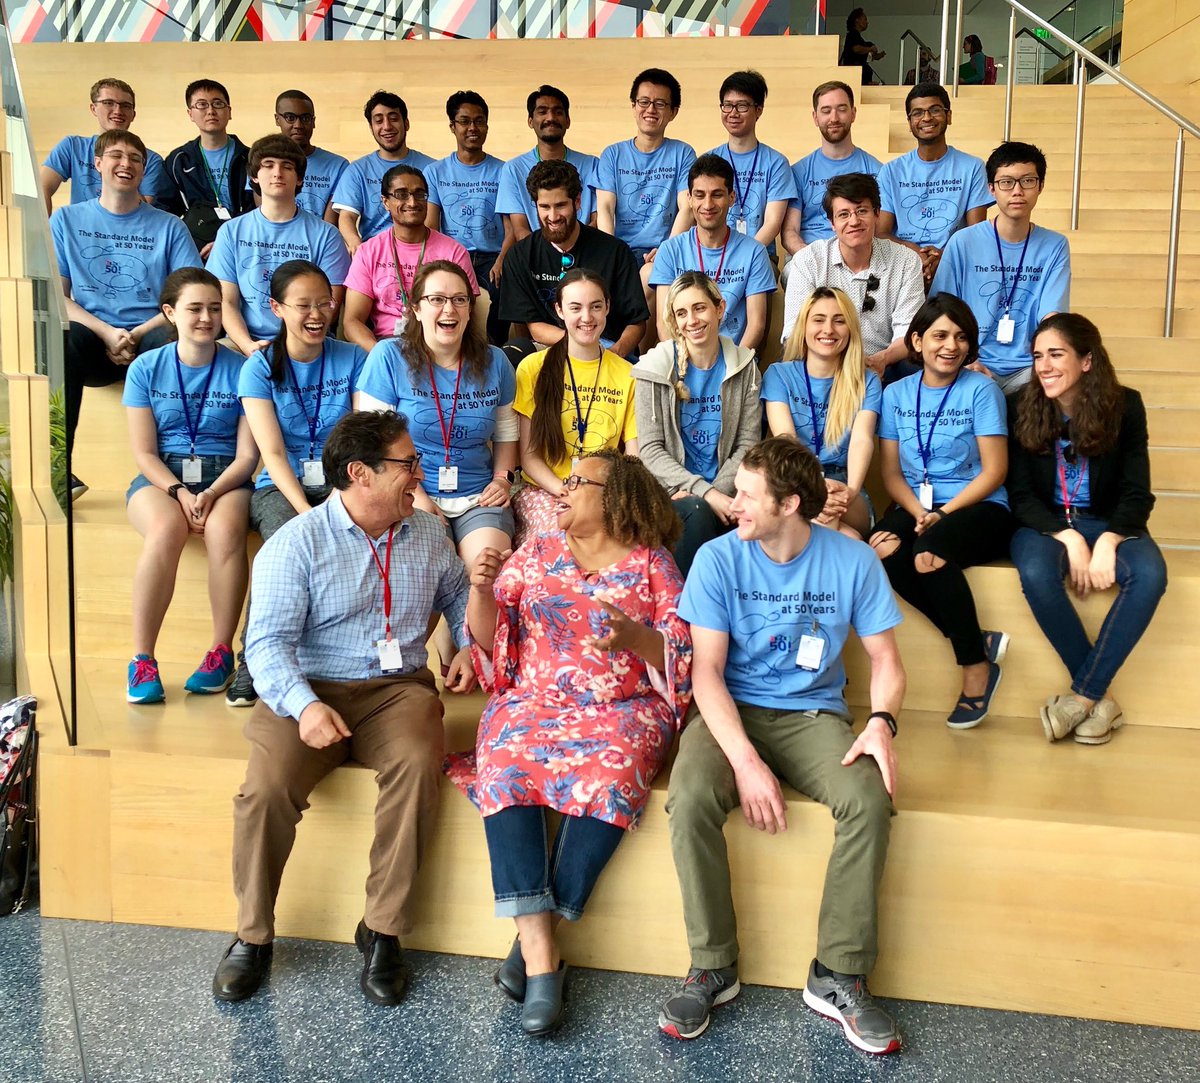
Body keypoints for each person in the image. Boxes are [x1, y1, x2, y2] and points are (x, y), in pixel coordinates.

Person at [212, 409, 474, 1006]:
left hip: (396, 691)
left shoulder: (429, 533)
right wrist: (304, 707)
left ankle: (382, 930)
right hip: (306, 689)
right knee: (264, 791)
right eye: (407, 463)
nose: (419, 472)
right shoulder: (296, 544)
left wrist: (465, 644)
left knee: (416, 764)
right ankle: (252, 936)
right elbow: (268, 645)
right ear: (361, 473)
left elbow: (457, 594)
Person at [659, 435, 904, 1055]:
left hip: (814, 713)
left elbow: (885, 659)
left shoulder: (853, 562)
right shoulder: (717, 558)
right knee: (688, 796)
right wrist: (745, 761)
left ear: (790, 503)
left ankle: (838, 973)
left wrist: (881, 721)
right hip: (731, 712)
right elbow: (705, 673)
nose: (733, 504)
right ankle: (712, 966)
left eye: (747, 495)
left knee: (868, 799)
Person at [447, 450, 691, 1036]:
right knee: (502, 766)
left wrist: (638, 637)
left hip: (623, 709)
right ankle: (542, 961)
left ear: (614, 497)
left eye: (579, 481)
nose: (563, 488)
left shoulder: (652, 564)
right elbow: (489, 639)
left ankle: (536, 945)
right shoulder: (535, 552)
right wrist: (481, 592)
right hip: (531, 702)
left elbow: (683, 652)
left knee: (615, 772)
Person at [1008, 314, 1167, 745]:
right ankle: (1103, 700)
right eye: (1038, 355)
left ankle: (1082, 697)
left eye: (1056, 354)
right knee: (1038, 575)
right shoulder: (1022, 404)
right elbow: (1021, 496)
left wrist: (1110, 539)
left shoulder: (1125, 406)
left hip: (1109, 519)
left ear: (1087, 361)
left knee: (1150, 575)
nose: (1044, 366)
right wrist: (1069, 536)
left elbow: (1138, 492)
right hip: (1046, 524)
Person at [354, 260, 517, 669]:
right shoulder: (388, 358)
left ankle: (469, 656)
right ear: (415, 307)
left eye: (460, 300)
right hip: (409, 493)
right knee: (428, 560)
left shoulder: (495, 361)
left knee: (486, 567)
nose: (450, 310)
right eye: (438, 299)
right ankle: (400, 668)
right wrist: (419, 497)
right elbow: (375, 445)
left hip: (479, 493)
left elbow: (507, 433)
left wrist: (503, 477)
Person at [226, 260, 366, 708]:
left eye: (324, 303)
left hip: (341, 481)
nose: (316, 315)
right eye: (302, 305)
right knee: (286, 541)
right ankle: (253, 663)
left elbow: (362, 437)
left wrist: (337, 500)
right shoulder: (259, 368)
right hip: (279, 486)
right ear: (276, 308)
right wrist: (308, 515)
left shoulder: (353, 358)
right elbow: (272, 453)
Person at [869, 294, 1013, 728]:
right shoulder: (894, 394)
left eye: (961, 337)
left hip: (980, 506)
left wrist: (942, 512)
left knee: (928, 552)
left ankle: (975, 670)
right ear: (916, 340)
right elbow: (892, 474)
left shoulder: (983, 390)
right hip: (918, 503)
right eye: (940, 335)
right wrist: (916, 511)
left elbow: (995, 470)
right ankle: (974, 638)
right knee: (879, 549)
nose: (950, 345)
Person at [122, 267, 258, 705]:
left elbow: (247, 457)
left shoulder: (243, 368)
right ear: (170, 313)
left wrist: (212, 492)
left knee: (224, 531)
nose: (206, 317)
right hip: (162, 476)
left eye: (215, 309)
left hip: (227, 477)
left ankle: (220, 653)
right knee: (166, 530)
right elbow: (143, 453)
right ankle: (142, 659)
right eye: (195, 308)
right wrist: (180, 492)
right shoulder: (146, 367)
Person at [50, 129, 202, 489]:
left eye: (135, 159)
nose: (126, 164)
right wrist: (107, 332)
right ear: (98, 164)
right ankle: (57, 471)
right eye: (117, 156)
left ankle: (179, 469)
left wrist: (135, 333)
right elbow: (58, 296)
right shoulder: (65, 220)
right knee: (60, 340)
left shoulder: (170, 227)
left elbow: (187, 297)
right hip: (91, 336)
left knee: (180, 342)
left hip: (150, 332)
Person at [632, 271, 760, 574]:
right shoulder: (654, 369)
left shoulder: (745, 366)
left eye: (699, 308)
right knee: (698, 511)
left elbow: (747, 445)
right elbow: (650, 450)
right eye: (681, 313)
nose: (692, 320)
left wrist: (720, 493)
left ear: (719, 308)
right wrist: (706, 493)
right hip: (671, 494)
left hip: (730, 491)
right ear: (674, 321)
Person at [931, 142, 1071, 394]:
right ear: (991, 189)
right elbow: (943, 310)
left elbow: (1052, 318)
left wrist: (1045, 365)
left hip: (1031, 368)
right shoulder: (963, 242)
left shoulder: (1054, 246)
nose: (1017, 191)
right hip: (970, 363)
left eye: (1027, 181)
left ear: (1040, 186)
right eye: (1007, 182)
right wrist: (965, 360)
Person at [513, 269, 638, 540]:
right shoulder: (533, 368)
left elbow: (633, 454)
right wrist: (567, 492)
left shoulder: (628, 374)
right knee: (560, 537)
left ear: (607, 308)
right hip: (545, 491)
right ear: (559, 310)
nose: (586, 317)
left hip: (604, 490)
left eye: (595, 306)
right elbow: (530, 457)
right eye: (575, 307)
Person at [206, 135, 350, 358]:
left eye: (287, 166)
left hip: (309, 340)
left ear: (300, 178)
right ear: (254, 176)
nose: (277, 173)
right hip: (245, 343)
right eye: (268, 165)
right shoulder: (231, 232)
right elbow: (227, 301)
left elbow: (329, 305)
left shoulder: (327, 235)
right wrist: (248, 346)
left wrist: (293, 347)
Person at [499, 160, 648, 363]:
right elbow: (533, 326)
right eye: (544, 207)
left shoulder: (615, 251)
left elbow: (637, 323)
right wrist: (582, 347)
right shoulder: (520, 255)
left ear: (577, 202)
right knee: (510, 354)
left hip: (608, 348)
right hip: (550, 348)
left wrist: (612, 354)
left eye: (560, 205)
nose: (553, 216)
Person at [764, 287, 881, 539]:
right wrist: (812, 490)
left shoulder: (867, 380)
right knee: (850, 539)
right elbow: (787, 440)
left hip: (846, 486)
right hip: (795, 479)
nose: (828, 329)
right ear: (804, 326)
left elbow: (862, 440)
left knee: (838, 520)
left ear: (850, 330)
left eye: (839, 321)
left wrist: (850, 489)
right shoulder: (779, 375)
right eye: (819, 320)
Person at [781, 173, 924, 380]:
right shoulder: (809, 260)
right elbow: (793, 333)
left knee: (914, 367)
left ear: (877, 214)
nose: (854, 221)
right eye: (843, 214)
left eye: (862, 211)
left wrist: (882, 360)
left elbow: (908, 333)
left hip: (884, 366)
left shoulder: (906, 261)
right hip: (822, 364)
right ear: (832, 222)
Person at [342, 165, 478, 352]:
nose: (413, 202)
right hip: (385, 346)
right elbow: (352, 322)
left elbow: (467, 314)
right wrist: (382, 356)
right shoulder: (369, 252)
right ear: (385, 201)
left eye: (419, 194)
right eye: (401, 194)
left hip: (440, 345)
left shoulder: (454, 252)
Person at [650, 155, 776, 355]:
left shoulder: (754, 252)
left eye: (717, 194)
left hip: (734, 359)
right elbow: (664, 324)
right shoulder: (670, 250)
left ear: (731, 198)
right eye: (699, 195)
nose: (708, 205)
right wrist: (685, 363)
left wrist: (734, 366)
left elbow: (756, 325)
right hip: (683, 359)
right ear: (689, 199)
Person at [877, 83, 993, 284]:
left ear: (949, 116)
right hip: (903, 263)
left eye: (935, 110)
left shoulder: (972, 167)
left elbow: (976, 232)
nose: (927, 118)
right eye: (918, 113)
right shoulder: (891, 171)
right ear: (910, 121)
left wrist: (944, 257)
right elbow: (881, 232)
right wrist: (915, 253)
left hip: (956, 261)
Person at [425, 91, 510, 345]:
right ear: (452, 126)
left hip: (492, 256)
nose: (473, 128)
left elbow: (511, 228)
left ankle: (495, 351)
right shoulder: (435, 171)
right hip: (452, 254)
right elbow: (431, 226)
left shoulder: (503, 170)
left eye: (479, 120)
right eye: (464, 121)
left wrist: (502, 259)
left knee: (503, 291)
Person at [595, 68, 696, 272]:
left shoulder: (683, 153)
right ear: (633, 106)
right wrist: (610, 252)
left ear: (673, 112)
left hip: (665, 248)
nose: (651, 109)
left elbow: (688, 208)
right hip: (621, 249)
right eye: (644, 102)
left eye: (660, 104)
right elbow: (605, 208)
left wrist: (667, 249)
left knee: (650, 274)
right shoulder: (612, 155)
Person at [782, 82, 883, 257]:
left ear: (853, 113)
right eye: (826, 111)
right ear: (815, 117)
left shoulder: (876, 170)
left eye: (842, 109)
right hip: (810, 258)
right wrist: (814, 262)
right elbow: (790, 233)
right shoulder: (798, 172)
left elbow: (880, 230)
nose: (834, 118)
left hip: (861, 257)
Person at [40, 77, 170, 212]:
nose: (118, 111)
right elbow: (42, 187)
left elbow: (145, 211)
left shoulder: (151, 159)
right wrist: (40, 230)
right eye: (108, 103)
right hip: (79, 229)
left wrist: (120, 175)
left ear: (133, 114)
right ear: (93, 108)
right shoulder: (72, 146)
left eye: (125, 106)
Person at [703, 70, 796, 258]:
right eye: (727, 105)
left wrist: (742, 256)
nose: (733, 113)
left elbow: (772, 223)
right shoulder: (708, 161)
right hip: (711, 254)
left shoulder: (776, 163)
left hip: (759, 256)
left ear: (759, 110)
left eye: (742, 106)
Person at [333, 90, 435, 255]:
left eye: (394, 118)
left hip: (421, 250)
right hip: (375, 254)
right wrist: (356, 245)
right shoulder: (358, 170)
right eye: (379, 121)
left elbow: (433, 218)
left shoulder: (431, 168)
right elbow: (346, 217)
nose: (387, 126)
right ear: (371, 128)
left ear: (406, 123)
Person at [163, 79, 254, 257]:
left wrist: (227, 240)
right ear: (190, 114)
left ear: (229, 112)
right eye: (202, 105)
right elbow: (164, 211)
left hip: (242, 244)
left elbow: (258, 209)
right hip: (195, 249)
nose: (211, 111)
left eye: (218, 104)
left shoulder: (251, 158)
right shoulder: (179, 161)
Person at [496, 85, 599, 241]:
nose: (550, 118)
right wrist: (548, 255)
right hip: (537, 256)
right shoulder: (513, 169)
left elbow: (598, 220)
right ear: (530, 121)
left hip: (586, 250)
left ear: (568, 121)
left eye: (558, 112)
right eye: (542, 112)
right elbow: (520, 229)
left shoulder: (592, 165)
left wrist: (575, 248)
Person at [274, 89, 348, 224]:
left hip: (319, 241)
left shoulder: (338, 166)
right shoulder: (264, 162)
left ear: (313, 122)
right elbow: (266, 213)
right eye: (290, 117)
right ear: (277, 119)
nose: (298, 125)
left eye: (305, 118)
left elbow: (329, 225)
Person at [840, 8, 886, 86]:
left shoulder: (857, 37)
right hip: (855, 78)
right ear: (857, 20)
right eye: (865, 19)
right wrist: (870, 49)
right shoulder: (852, 35)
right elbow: (856, 49)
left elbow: (868, 55)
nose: (867, 22)